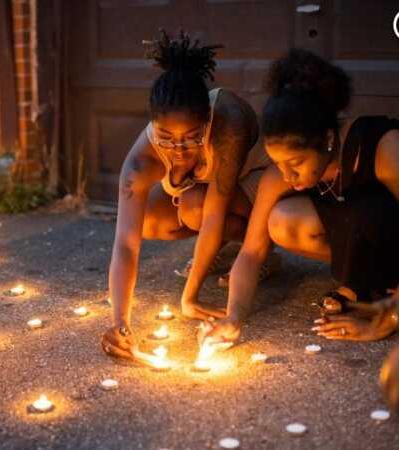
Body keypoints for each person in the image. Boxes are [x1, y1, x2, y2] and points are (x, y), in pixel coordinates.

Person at [99, 30, 273, 360]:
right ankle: (227, 256)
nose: (178, 149)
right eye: (166, 137)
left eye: (191, 138)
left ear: (207, 120)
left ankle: (260, 253)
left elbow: (213, 215)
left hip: (257, 185)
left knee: (196, 208)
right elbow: (124, 243)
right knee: (148, 220)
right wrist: (120, 322)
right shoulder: (140, 161)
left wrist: (189, 297)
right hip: (205, 195)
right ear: (152, 124)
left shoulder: (229, 125)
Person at [205, 48, 399, 344]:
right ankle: (369, 285)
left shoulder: (383, 147)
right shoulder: (280, 174)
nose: (286, 176)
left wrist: (387, 321)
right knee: (281, 219)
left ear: (328, 140)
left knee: (367, 213)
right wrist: (233, 317)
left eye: (295, 164)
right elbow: (252, 252)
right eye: (277, 162)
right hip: (371, 241)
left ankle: (384, 290)